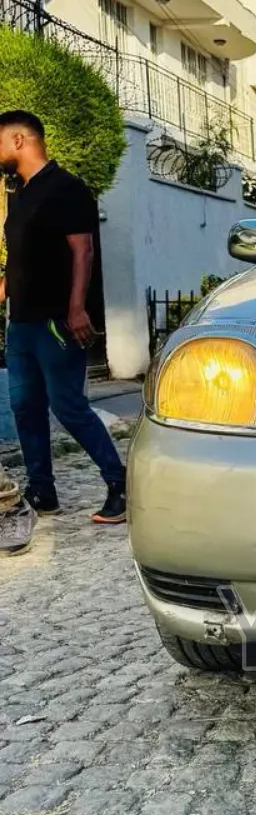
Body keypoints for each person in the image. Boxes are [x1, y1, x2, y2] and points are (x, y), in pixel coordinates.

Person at [0, 109, 126, 524]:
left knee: (69, 407)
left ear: (19, 140)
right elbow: (20, 259)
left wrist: (76, 308)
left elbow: (82, 250)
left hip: (55, 320)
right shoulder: (19, 195)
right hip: (20, 324)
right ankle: (43, 493)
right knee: (25, 408)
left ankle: (120, 485)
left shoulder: (66, 188)